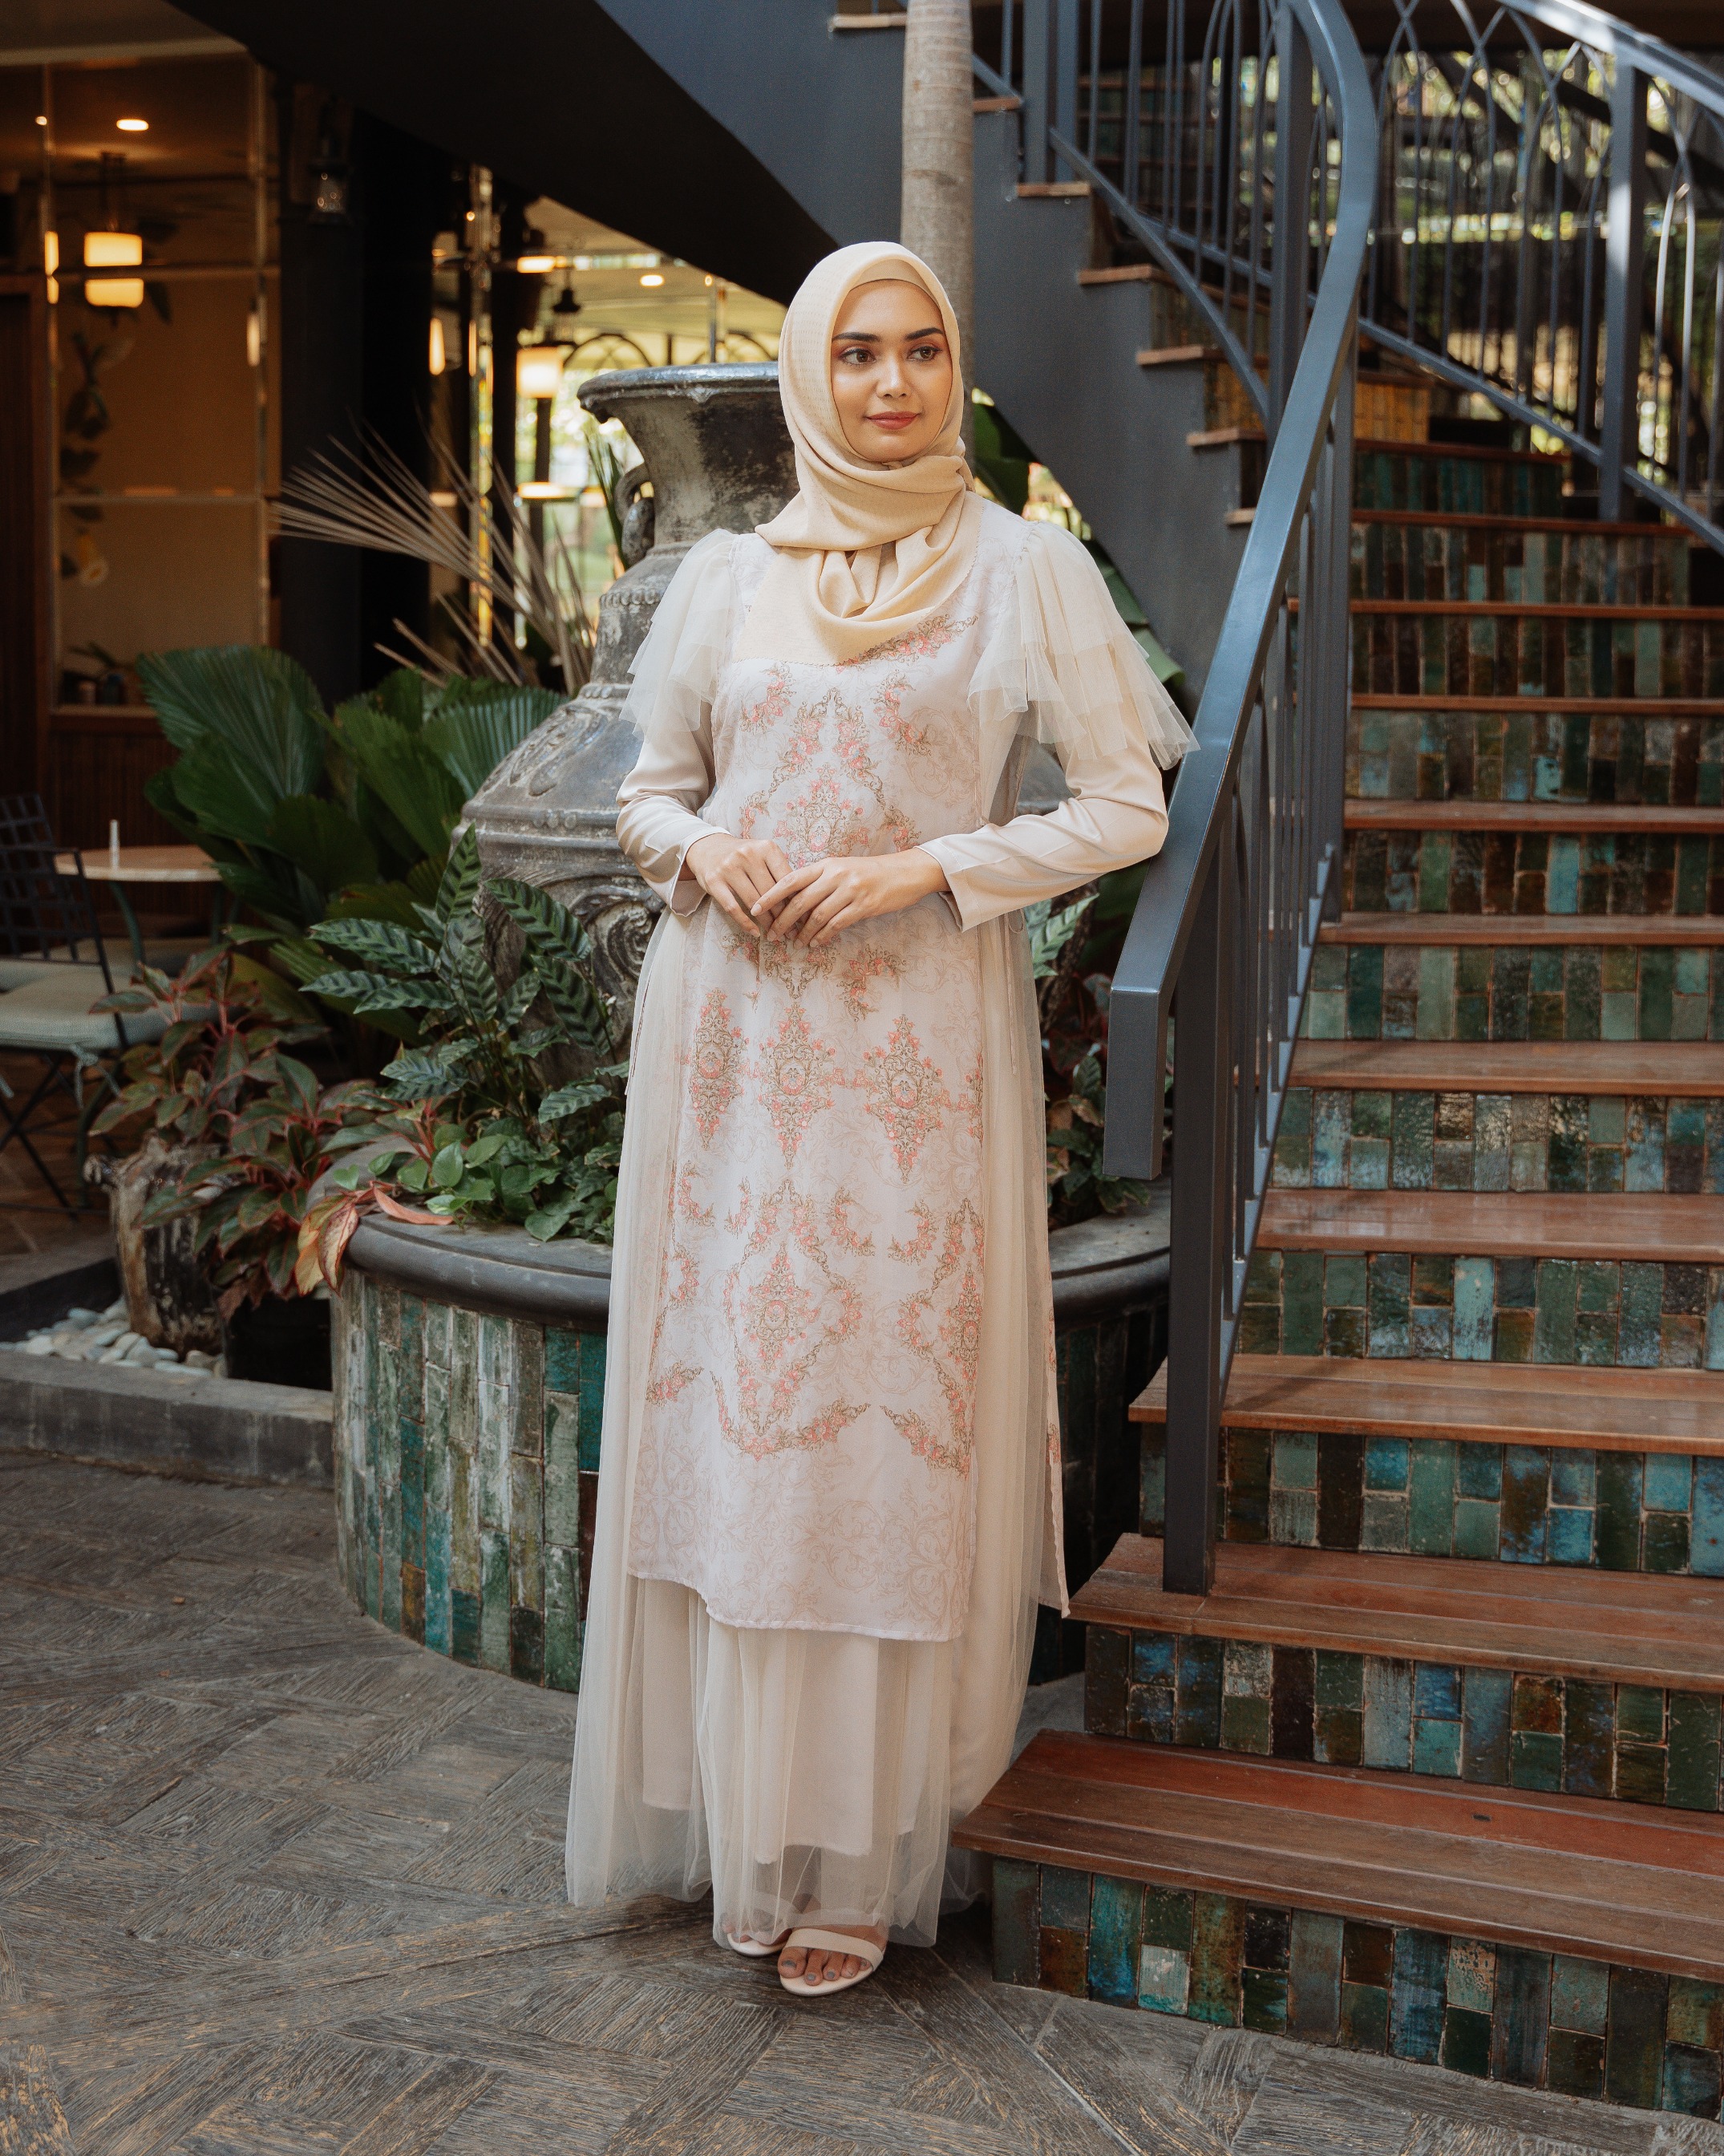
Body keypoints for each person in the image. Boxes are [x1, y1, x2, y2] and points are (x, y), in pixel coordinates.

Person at [565, 240, 1193, 1997]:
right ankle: (745, 1825)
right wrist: (708, 853)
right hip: (734, 1047)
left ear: (952, 368)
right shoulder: (724, 580)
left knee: (875, 1432)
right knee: (741, 1429)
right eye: (856, 354)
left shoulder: (1025, 568)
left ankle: (858, 1852)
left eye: (921, 350)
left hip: (912, 1055)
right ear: (807, 377)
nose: (892, 384)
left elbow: (1125, 806)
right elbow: (649, 795)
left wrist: (925, 867)